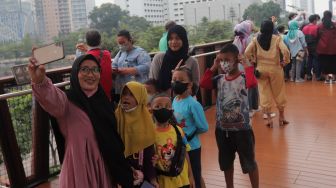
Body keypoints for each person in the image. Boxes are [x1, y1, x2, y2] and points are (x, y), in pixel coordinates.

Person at [28, 54, 135, 187]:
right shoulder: (67, 101)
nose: (91, 75)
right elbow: (52, 98)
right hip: (79, 166)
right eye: (84, 69)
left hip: (104, 164)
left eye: (95, 70)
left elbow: (112, 139)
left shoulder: (103, 101)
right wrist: (40, 81)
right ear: (75, 72)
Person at [199, 44, 259, 188]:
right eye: (221, 60)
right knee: (226, 163)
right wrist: (213, 67)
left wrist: (247, 65)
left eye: (227, 59)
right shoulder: (219, 79)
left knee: (249, 163)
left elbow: (252, 83)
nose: (224, 63)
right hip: (222, 131)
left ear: (237, 60)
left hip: (243, 130)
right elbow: (203, 83)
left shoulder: (244, 78)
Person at [245, 20, 290, 127]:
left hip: (261, 70)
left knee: (264, 93)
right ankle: (282, 117)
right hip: (275, 69)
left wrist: (252, 60)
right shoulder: (277, 39)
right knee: (279, 92)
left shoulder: (255, 40)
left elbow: (247, 52)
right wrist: (285, 61)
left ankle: (269, 119)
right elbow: (286, 51)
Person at [115, 81, 159, 187]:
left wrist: (153, 179)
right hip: (121, 171)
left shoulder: (146, 119)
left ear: (140, 97)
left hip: (142, 173)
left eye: (131, 94)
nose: (126, 97)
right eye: (124, 94)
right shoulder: (116, 116)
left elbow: (149, 155)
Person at [171, 67, 208, 188]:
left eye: (181, 80)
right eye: (174, 79)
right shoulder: (175, 100)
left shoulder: (193, 104)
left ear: (190, 84)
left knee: (196, 175)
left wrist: (190, 134)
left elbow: (203, 127)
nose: (177, 83)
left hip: (192, 147)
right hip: (179, 146)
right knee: (184, 174)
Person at [150, 94, 195, 188]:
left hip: (182, 180)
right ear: (151, 111)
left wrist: (190, 176)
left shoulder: (178, 130)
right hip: (164, 183)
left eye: (167, 106)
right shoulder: (149, 134)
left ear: (172, 110)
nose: (163, 109)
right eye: (158, 106)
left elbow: (185, 154)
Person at [150, 25, 200, 96]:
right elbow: (152, 83)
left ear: (184, 40)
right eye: (170, 39)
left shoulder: (192, 61)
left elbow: (195, 88)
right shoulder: (159, 58)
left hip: (182, 101)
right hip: (162, 102)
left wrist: (177, 79)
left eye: (177, 38)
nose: (173, 42)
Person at [112, 30, 151, 102]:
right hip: (122, 90)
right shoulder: (121, 53)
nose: (121, 45)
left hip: (136, 90)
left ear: (130, 40)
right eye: (119, 43)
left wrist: (127, 70)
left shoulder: (140, 52)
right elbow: (114, 65)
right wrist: (114, 70)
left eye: (123, 43)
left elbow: (146, 67)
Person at [74, 30, 113, 101]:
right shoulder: (107, 54)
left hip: (93, 98)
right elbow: (96, 54)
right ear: (100, 40)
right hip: (107, 96)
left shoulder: (83, 58)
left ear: (87, 42)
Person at [232, 20, 260, 118]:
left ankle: (254, 106)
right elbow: (253, 52)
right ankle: (250, 108)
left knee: (251, 86)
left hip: (241, 66)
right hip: (248, 65)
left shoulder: (236, 39)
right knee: (250, 87)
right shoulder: (249, 39)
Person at [316, 10, 336, 83]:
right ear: (331, 16)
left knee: (324, 63)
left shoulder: (320, 26)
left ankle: (327, 79)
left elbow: (317, 36)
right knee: (334, 63)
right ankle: (334, 79)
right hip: (334, 48)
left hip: (323, 48)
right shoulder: (334, 25)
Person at [302, 14, 322, 81]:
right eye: (317, 20)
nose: (317, 21)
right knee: (316, 61)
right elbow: (319, 37)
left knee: (309, 61)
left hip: (307, 47)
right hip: (315, 46)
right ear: (314, 20)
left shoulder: (304, 28)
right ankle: (318, 76)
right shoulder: (316, 27)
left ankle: (308, 76)